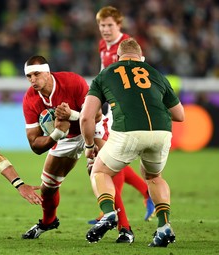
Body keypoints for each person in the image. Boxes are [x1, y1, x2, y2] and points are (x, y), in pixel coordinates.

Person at [80, 38, 184, 247]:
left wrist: (90, 146)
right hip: (162, 131)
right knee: (154, 177)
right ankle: (164, 226)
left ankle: (109, 214)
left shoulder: (106, 74)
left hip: (128, 131)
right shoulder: (156, 74)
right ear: (141, 57)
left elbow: (86, 117)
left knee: (99, 171)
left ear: (118, 57)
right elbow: (179, 115)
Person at [87, 6, 155, 243]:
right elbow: (103, 74)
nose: (105, 30)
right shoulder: (102, 46)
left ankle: (118, 221)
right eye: (102, 26)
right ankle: (140, 198)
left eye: (109, 25)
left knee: (106, 163)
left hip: (123, 111)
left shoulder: (127, 46)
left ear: (119, 25)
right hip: (110, 108)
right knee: (109, 161)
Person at [20, 55, 105, 239]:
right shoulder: (30, 99)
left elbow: (97, 114)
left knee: (100, 171)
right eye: (29, 76)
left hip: (91, 126)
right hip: (67, 136)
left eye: (37, 74)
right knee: (47, 188)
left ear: (47, 72)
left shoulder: (72, 81)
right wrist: (57, 134)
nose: (33, 80)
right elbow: (35, 145)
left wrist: (72, 115)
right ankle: (48, 221)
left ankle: (121, 224)